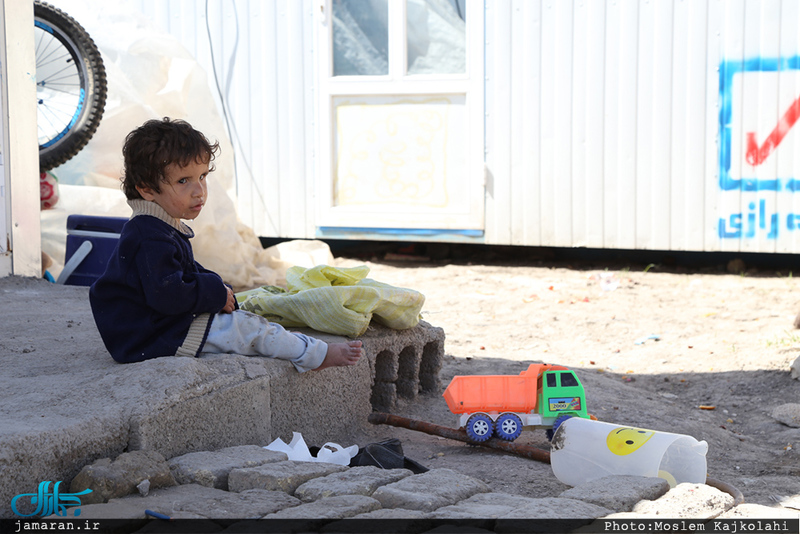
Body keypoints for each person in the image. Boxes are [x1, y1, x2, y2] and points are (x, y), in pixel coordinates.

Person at [89, 117, 362, 372]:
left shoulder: (158, 225)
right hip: (155, 337)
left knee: (247, 318)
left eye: (202, 176)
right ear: (147, 189)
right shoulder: (148, 236)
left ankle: (299, 346)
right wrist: (215, 293)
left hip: (161, 330)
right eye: (183, 181)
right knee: (248, 329)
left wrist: (218, 289)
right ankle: (315, 355)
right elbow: (168, 294)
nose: (199, 190)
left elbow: (185, 272)